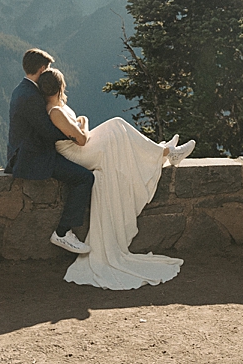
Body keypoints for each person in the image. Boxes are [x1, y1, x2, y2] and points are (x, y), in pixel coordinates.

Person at [36, 67, 195, 290]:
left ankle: (162, 152)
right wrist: (83, 124)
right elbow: (81, 140)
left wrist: (81, 125)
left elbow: (79, 134)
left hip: (79, 147)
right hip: (77, 154)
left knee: (117, 128)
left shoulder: (56, 108)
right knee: (117, 126)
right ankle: (164, 153)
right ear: (60, 86)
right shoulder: (55, 111)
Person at [6, 49, 94, 254]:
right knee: (84, 178)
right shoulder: (31, 96)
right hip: (32, 157)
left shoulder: (23, 90)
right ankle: (63, 233)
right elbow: (47, 132)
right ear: (42, 68)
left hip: (31, 151)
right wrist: (75, 134)